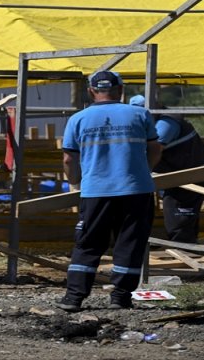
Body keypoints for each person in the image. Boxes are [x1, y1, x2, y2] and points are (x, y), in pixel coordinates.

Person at [57, 71, 163, 312]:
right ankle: (120, 298)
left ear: (92, 91)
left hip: (96, 191)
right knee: (130, 243)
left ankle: (74, 298)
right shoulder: (140, 114)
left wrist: (75, 181)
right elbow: (155, 149)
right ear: (120, 90)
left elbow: (68, 159)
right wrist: (143, 171)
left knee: (88, 244)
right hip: (136, 190)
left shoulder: (79, 119)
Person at [129, 94, 204, 244]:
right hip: (176, 173)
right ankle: (186, 243)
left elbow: (154, 148)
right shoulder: (153, 121)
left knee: (179, 211)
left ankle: (183, 246)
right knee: (180, 210)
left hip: (191, 173)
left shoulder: (167, 123)